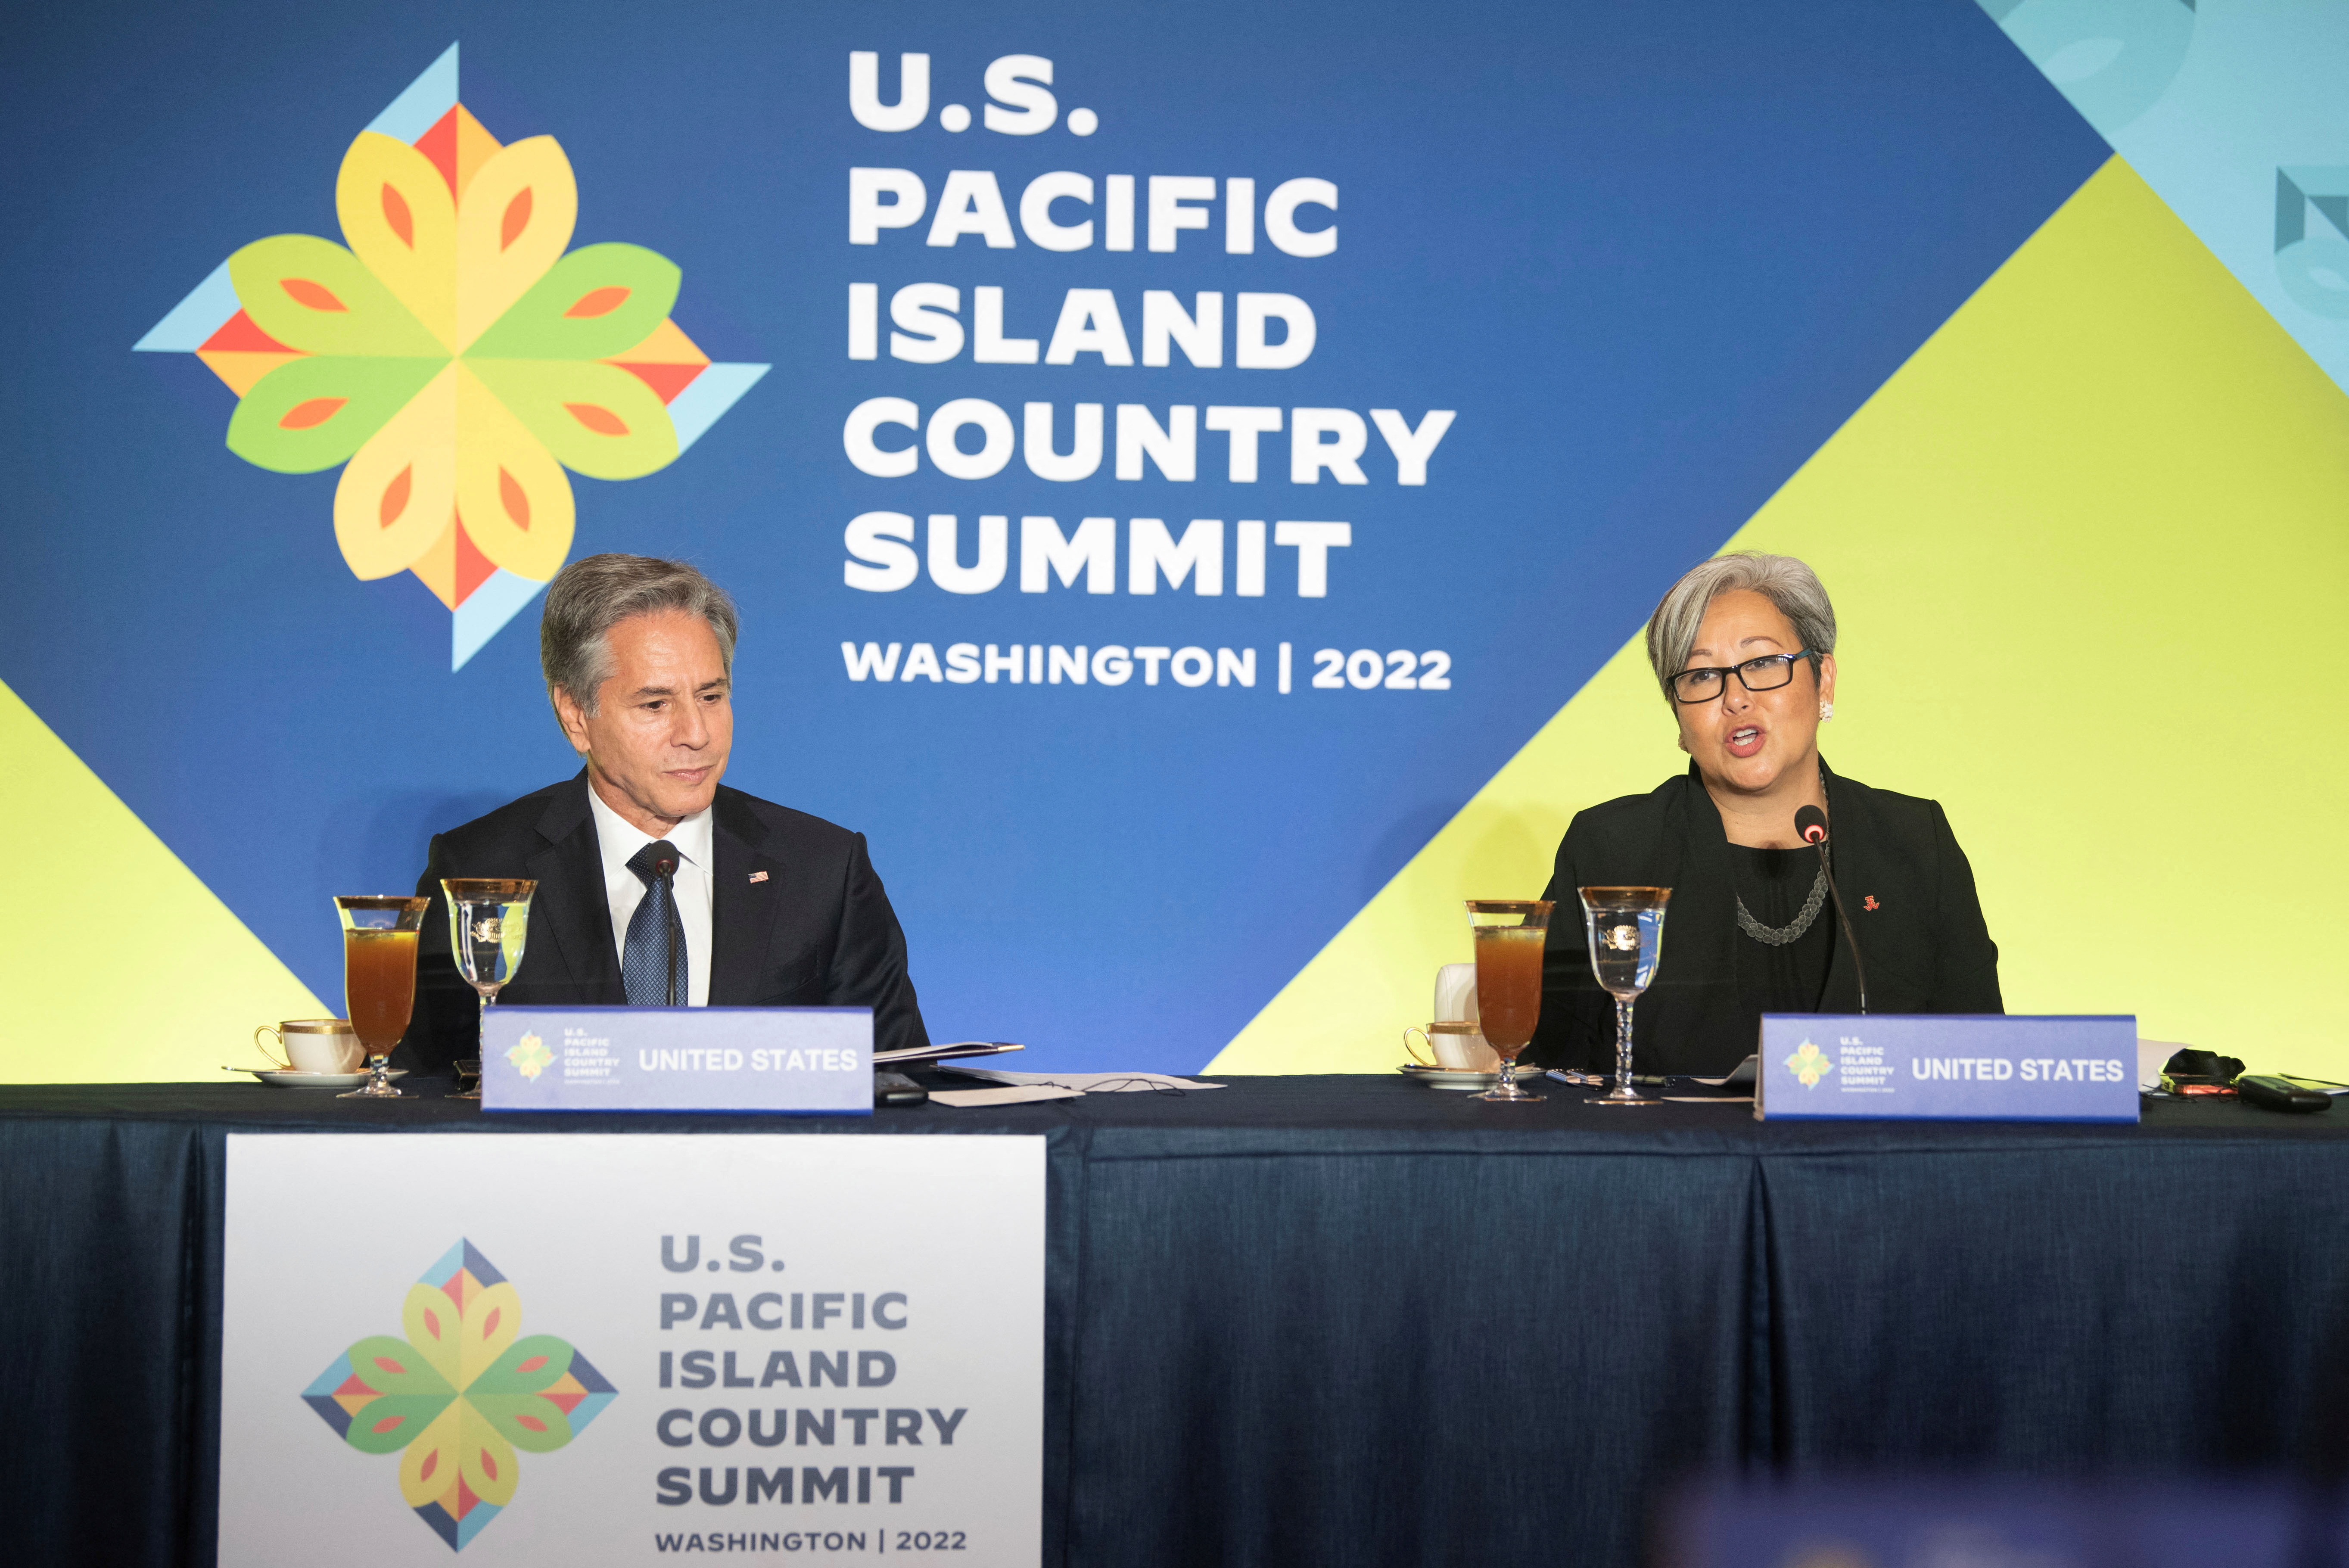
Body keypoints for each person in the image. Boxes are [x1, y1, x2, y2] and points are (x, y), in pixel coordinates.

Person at [392, 554, 928, 1073]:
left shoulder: (824, 869)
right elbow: (426, 1089)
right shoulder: (483, 867)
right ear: (577, 716)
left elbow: (901, 1085)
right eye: (655, 705)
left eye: (712, 697)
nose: (696, 734)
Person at [1525, 552, 1999, 1078]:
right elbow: (1545, 1065)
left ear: (1823, 681)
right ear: (1679, 718)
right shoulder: (1612, 848)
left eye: (1762, 664)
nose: (1735, 698)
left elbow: (1979, 1062)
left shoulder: (1914, 842)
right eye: (1702, 675)